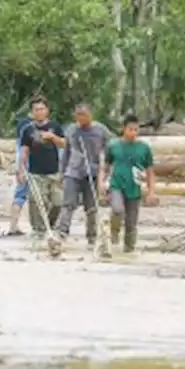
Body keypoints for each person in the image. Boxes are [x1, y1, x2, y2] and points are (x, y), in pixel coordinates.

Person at [51, 102, 111, 250]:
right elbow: (66, 152)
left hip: (93, 172)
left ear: (90, 114)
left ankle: (91, 237)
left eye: (83, 114)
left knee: (91, 208)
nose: (80, 118)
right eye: (78, 115)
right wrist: (62, 172)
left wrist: (106, 173)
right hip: (73, 171)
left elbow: (109, 151)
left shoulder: (101, 130)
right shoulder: (72, 130)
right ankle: (62, 234)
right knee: (68, 204)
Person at [98, 114, 155, 256]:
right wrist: (101, 182)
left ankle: (129, 250)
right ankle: (114, 232)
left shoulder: (144, 148)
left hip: (134, 187)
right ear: (123, 129)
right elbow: (105, 167)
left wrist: (151, 191)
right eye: (130, 129)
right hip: (116, 185)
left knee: (131, 223)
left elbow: (150, 171)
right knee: (117, 210)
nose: (133, 133)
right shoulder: (113, 146)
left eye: (136, 130)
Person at [17, 96, 65, 237]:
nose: (39, 112)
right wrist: (21, 170)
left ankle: (49, 225)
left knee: (58, 202)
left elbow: (64, 144)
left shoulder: (55, 126)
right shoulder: (27, 130)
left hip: (54, 171)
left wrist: (52, 137)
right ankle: (38, 230)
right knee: (37, 202)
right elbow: (24, 151)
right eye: (36, 110)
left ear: (47, 110)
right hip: (35, 172)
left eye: (42, 109)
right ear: (32, 112)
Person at [4, 109, 35, 236]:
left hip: (25, 168)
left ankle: (13, 226)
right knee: (25, 197)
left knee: (20, 196)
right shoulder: (30, 133)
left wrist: (19, 169)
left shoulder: (21, 139)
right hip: (31, 168)